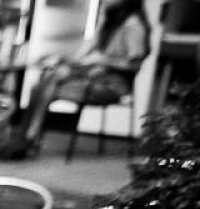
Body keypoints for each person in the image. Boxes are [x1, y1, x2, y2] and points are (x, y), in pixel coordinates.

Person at [22, 0, 151, 143]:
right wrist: (62, 59)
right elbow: (86, 51)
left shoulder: (133, 26)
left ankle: (30, 137)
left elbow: (135, 64)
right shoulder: (110, 21)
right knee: (45, 82)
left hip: (112, 86)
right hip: (94, 76)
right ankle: (29, 135)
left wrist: (103, 60)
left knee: (47, 87)